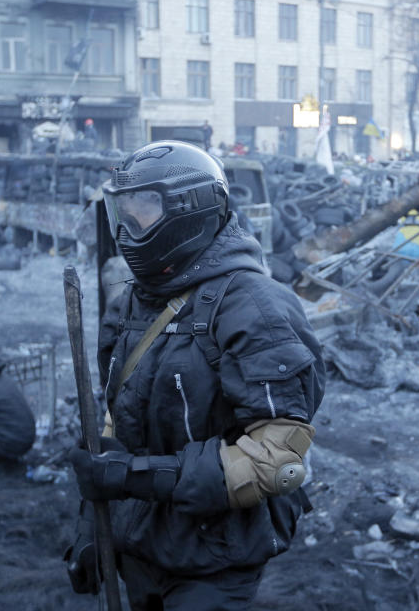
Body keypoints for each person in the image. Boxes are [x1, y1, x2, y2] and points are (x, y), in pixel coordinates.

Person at [64, 141, 325, 610]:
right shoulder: (132, 303)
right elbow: (114, 420)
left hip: (217, 554)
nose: (127, 228)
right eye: (122, 211)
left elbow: (277, 459)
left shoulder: (255, 307)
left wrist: (134, 476)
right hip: (143, 543)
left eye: (143, 210)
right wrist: (93, 527)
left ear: (191, 210)